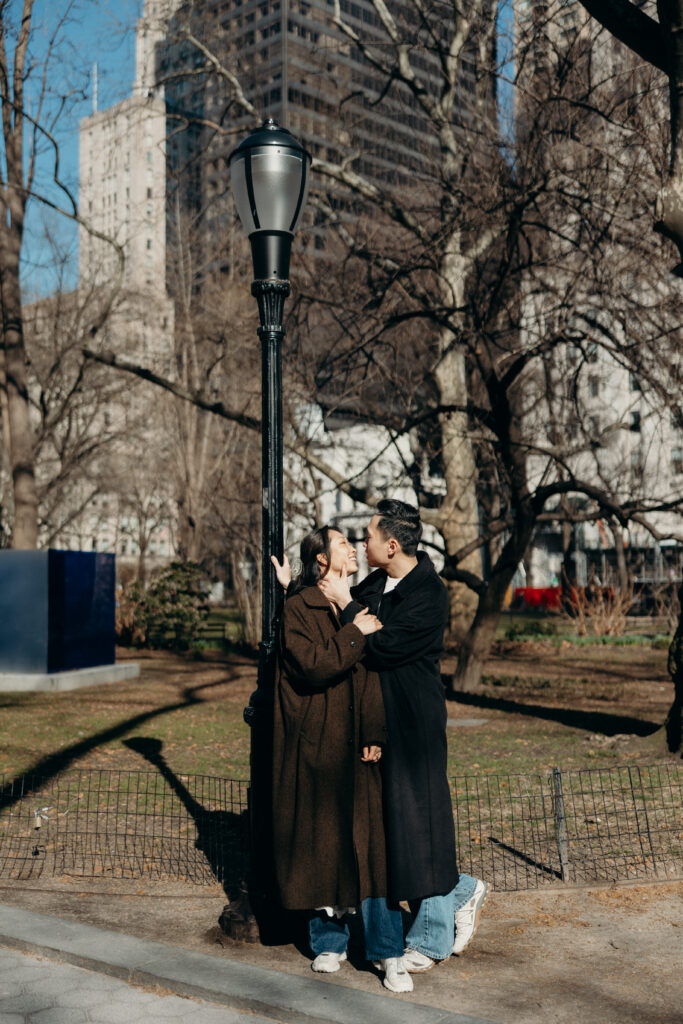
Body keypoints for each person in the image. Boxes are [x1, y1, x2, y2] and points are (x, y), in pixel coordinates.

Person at [318, 499, 488, 971]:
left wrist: (350, 607)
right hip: (380, 723)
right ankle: (462, 888)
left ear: (391, 545)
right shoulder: (377, 583)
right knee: (395, 826)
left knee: (421, 823)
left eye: (369, 535)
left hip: (415, 725)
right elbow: (354, 633)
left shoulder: (429, 593)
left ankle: (432, 939)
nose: (363, 542)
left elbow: (383, 646)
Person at [272, 525, 413, 993]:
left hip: (359, 748)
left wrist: (375, 730)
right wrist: (354, 633)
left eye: (353, 542)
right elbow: (311, 665)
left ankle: (389, 952)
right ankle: (328, 941)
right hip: (318, 747)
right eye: (341, 544)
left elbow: (374, 675)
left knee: (373, 855)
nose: (353, 548)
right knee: (323, 846)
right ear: (321, 561)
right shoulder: (299, 609)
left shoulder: (361, 602)